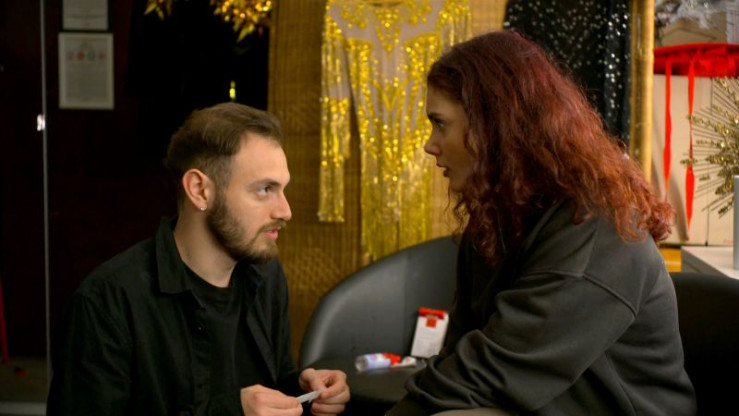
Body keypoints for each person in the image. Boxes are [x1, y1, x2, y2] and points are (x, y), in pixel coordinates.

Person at [387, 31, 697, 416]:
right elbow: (463, 360)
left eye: (440, 124)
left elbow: (493, 370)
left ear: (492, 126)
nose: (430, 145)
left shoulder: (596, 228)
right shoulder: (497, 220)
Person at [47, 103, 350, 415]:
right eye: (264, 190)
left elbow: (272, 383)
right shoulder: (106, 303)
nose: (285, 211)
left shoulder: (266, 274)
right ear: (200, 190)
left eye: (282, 189)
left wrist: (305, 392)